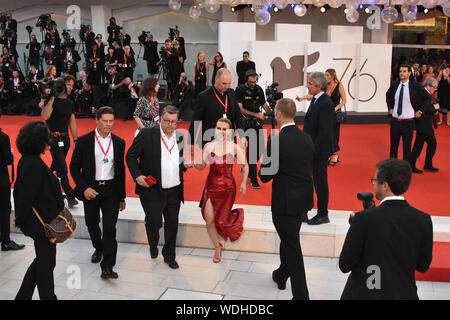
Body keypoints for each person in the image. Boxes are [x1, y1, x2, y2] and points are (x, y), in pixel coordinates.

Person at [339, 159, 433, 300]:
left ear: (385, 186)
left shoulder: (363, 219)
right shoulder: (423, 220)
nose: (373, 183)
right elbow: (423, 266)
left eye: (375, 180)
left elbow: (345, 264)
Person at [259, 98, 314, 300]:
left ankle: (301, 296)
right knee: (289, 239)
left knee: (292, 247)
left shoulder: (276, 141)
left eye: (275, 111)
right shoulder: (306, 138)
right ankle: (281, 274)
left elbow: (264, 176)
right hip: (303, 202)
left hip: (285, 204)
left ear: (279, 114)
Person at [126, 105, 192, 269]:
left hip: (174, 190)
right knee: (154, 223)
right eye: (167, 121)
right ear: (160, 119)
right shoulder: (147, 134)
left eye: (174, 122)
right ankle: (153, 243)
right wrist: (137, 176)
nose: (170, 125)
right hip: (152, 190)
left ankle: (169, 255)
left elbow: (177, 160)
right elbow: (130, 157)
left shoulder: (180, 137)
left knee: (172, 225)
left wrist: (185, 165)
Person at [70, 107, 126, 279]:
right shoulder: (84, 141)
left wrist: (121, 196)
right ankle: (99, 247)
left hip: (110, 190)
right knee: (91, 223)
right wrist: (84, 188)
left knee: (110, 228)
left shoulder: (119, 142)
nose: (108, 124)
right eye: (104, 121)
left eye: (111, 121)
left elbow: (121, 170)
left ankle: (107, 266)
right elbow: (73, 168)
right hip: (91, 189)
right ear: (97, 120)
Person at [14, 121, 64, 300]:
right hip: (41, 224)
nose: (49, 141)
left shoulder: (29, 160)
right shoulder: (33, 164)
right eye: (46, 138)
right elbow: (26, 196)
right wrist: (20, 220)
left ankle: (24, 296)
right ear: (38, 141)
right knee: (46, 262)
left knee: (44, 262)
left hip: (43, 222)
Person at [194, 118, 248, 263]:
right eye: (219, 128)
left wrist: (243, 182)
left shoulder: (235, 147)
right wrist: (194, 163)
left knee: (222, 220)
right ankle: (217, 246)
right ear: (215, 129)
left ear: (229, 131)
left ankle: (234, 218)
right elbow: (201, 167)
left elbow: (246, 165)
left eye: (224, 129)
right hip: (211, 186)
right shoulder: (208, 146)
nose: (221, 132)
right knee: (209, 219)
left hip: (228, 188)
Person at [40, 75, 78, 208]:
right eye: (68, 85)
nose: (70, 88)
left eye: (72, 86)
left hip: (65, 139)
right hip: (52, 138)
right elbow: (45, 116)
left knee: (56, 166)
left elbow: (72, 123)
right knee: (62, 166)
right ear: (61, 85)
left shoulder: (70, 103)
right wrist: (52, 97)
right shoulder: (52, 100)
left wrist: (75, 140)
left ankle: (45, 188)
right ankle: (70, 195)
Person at [303, 72, 334, 225]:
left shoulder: (326, 104)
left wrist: (312, 150)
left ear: (319, 86)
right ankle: (303, 211)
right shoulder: (316, 100)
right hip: (310, 149)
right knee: (307, 180)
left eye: (310, 83)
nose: (307, 85)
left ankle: (323, 214)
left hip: (318, 152)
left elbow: (324, 132)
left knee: (320, 182)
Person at [189, 68, 246, 151]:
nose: (226, 86)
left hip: (229, 140)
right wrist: (191, 142)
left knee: (229, 163)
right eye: (224, 83)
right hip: (211, 141)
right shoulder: (204, 96)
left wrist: (242, 136)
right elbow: (196, 120)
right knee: (215, 164)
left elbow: (238, 117)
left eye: (228, 84)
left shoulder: (231, 93)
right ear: (216, 79)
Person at [235, 69, 271, 189]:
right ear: (246, 80)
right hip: (245, 124)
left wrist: (273, 112)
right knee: (252, 151)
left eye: (255, 82)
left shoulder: (259, 89)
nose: (253, 84)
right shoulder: (239, 90)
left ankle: (248, 168)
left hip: (258, 124)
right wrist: (256, 115)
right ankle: (254, 179)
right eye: (251, 82)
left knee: (259, 150)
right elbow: (239, 109)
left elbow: (264, 104)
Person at [386, 65, 428, 163]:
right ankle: (392, 168)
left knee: (407, 148)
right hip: (395, 121)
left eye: (404, 71)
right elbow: (388, 95)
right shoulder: (394, 84)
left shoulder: (415, 86)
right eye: (400, 71)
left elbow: (427, 98)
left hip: (408, 123)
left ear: (409, 73)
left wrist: (421, 111)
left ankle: (405, 170)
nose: (402, 73)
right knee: (393, 147)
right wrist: (390, 108)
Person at [0, 118, 25, 251]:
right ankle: (5, 241)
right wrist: (10, 154)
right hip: (1, 181)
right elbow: (9, 160)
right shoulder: (3, 137)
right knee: (4, 210)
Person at [410, 78, 440, 174]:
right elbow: (421, 109)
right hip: (422, 125)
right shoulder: (423, 94)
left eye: (436, 87)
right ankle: (412, 165)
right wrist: (433, 107)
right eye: (434, 87)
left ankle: (427, 164)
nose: (435, 89)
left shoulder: (426, 93)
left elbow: (425, 109)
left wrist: (432, 110)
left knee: (432, 144)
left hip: (426, 125)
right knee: (418, 147)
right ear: (428, 86)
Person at [325, 68, 347, 165]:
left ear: (333, 76)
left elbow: (344, 100)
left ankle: (334, 155)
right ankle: (327, 154)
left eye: (327, 75)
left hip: (335, 114)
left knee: (333, 134)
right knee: (326, 134)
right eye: (325, 75)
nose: (326, 77)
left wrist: (335, 109)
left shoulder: (339, 85)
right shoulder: (325, 86)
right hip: (325, 114)